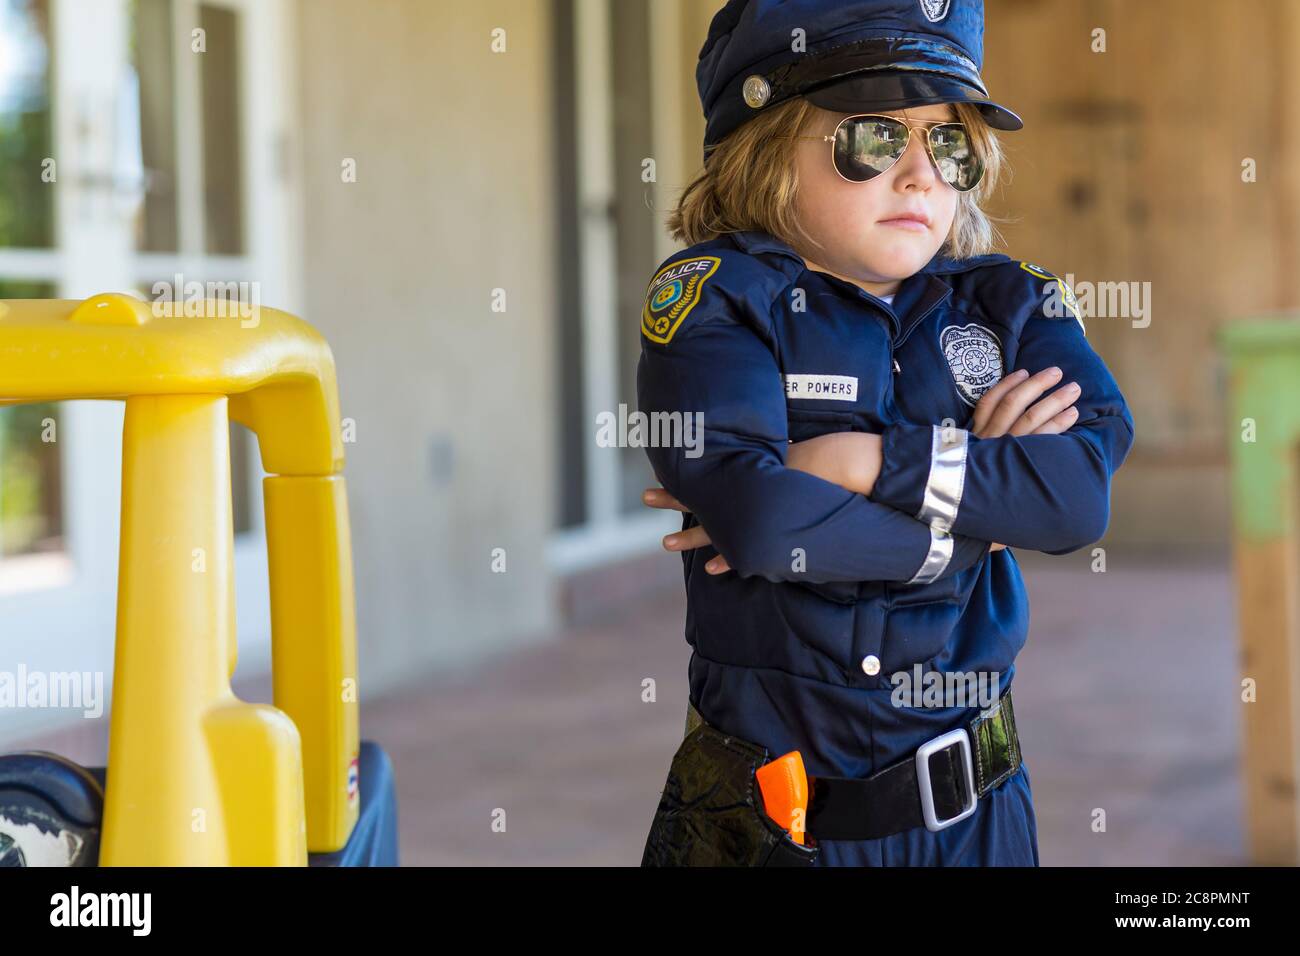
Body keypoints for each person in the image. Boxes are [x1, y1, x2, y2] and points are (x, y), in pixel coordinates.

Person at [636, 0, 1135, 866]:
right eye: (871, 137)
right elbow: (763, 522)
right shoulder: (717, 295)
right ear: (763, 145)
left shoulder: (1012, 301)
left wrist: (862, 460)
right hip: (767, 826)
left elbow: (1079, 499)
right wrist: (977, 518)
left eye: (950, 144)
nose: (921, 175)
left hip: (980, 816)